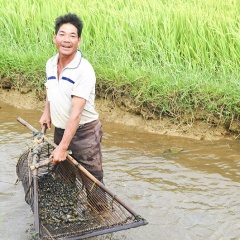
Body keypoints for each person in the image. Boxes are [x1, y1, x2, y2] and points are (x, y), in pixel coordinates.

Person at [39, 13, 104, 183]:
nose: (66, 40)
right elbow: (51, 88)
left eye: (72, 35)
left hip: (85, 134)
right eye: (62, 34)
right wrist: (47, 112)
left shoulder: (84, 69)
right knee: (64, 179)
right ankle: (71, 209)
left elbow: (76, 113)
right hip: (61, 130)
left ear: (79, 41)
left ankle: (100, 210)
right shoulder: (50, 63)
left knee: (92, 182)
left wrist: (63, 147)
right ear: (55, 38)